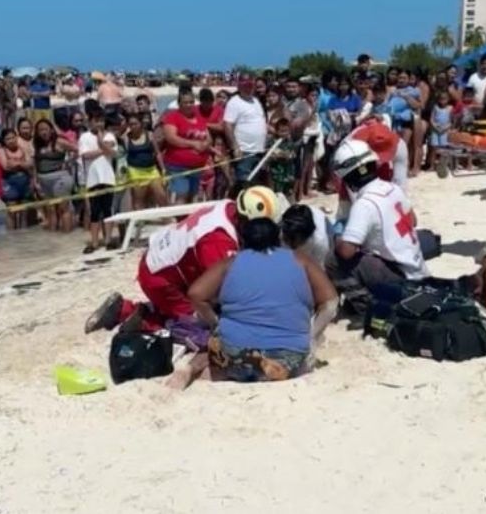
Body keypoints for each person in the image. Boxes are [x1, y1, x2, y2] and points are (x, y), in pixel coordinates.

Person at [84, 186, 285, 337]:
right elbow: (220, 290)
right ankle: (133, 315)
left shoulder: (227, 206)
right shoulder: (218, 241)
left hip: (162, 260)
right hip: (159, 277)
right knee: (197, 327)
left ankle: (140, 310)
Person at [184, 215, 338, 384]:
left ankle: (198, 371)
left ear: (243, 239)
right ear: (278, 237)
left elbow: (195, 294)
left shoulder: (230, 263)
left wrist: (215, 323)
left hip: (235, 358)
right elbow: (331, 303)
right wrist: (311, 338)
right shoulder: (300, 260)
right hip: (287, 362)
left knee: (217, 348)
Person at [328, 138, 429, 315]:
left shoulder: (365, 204)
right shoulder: (393, 188)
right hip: (417, 270)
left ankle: (365, 307)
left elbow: (346, 252)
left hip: (402, 278)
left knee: (333, 259)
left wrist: (337, 235)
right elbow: (413, 221)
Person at [78, 111, 118, 253]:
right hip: (92, 179)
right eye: (96, 121)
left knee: (108, 210)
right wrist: (103, 150)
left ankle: (108, 239)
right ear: (90, 122)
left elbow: (112, 151)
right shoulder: (84, 137)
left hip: (107, 178)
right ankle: (94, 242)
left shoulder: (109, 135)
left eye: (101, 121)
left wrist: (102, 142)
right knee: (94, 211)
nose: (99, 124)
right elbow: (85, 155)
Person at [163, 90, 211, 204]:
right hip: (178, 166)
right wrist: (193, 144)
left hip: (197, 166)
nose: (189, 105)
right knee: (182, 194)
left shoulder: (199, 117)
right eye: (186, 102)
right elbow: (171, 138)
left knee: (194, 195)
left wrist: (205, 145)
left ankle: (190, 220)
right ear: (179, 103)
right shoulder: (172, 117)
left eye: (191, 102)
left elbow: (208, 137)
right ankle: (179, 219)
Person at [224, 75, 268, 188]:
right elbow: (228, 125)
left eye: (250, 86)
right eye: (245, 86)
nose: (248, 88)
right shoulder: (234, 102)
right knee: (244, 183)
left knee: (256, 183)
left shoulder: (256, 101)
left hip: (259, 150)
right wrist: (235, 147)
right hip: (244, 151)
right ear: (239, 86)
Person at [32, 119, 76, 232]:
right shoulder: (37, 144)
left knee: (63, 208)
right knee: (50, 209)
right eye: (40, 130)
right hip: (44, 180)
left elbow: (76, 149)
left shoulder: (59, 142)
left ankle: (67, 236)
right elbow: (35, 163)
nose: (43, 132)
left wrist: (69, 162)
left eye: (45, 129)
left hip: (60, 178)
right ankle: (53, 241)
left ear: (51, 130)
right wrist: (35, 178)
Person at [124, 112, 167, 210]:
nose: (133, 126)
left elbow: (157, 153)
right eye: (131, 124)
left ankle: (166, 218)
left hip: (151, 170)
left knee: (161, 195)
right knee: (139, 198)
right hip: (135, 172)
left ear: (141, 124)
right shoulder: (126, 138)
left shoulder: (150, 135)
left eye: (135, 124)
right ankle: (140, 221)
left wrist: (163, 168)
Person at [281, 203, 335, 268]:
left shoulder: (319, 242)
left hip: (325, 225)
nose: (292, 244)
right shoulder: (283, 229)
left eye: (296, 241)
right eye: (288, 240)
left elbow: (318, 269)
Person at [0, 128, 32, 229]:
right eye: (8, 139)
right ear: (4, 141)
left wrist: (16, 163)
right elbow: (6, 166)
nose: (11, 140)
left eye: (13, 137)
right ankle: (11, 238)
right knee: (12, 212)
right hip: (9, 183)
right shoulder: (1, 150)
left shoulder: (23, 148)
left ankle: (23, 238)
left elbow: (30, 164)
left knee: (24, 212)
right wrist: (22, 163)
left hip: (24, 182)